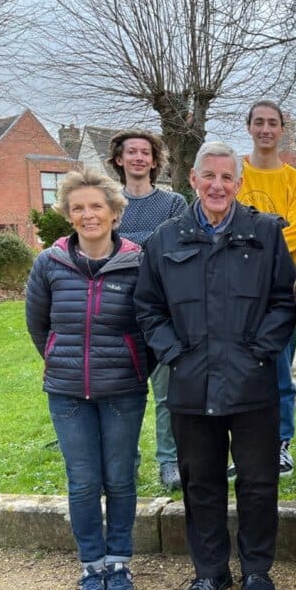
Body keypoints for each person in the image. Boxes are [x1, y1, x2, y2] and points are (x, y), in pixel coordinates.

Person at [135, 142, 296, 590]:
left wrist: (260, 351)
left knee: (258, 482)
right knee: (201, 483)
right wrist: (174, 354)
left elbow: (286, 300)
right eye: (209, 176)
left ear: (239, 184)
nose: (218, 186)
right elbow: (148, 307)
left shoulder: (265, 233)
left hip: (252, 384)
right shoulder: (165, 239)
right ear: (193, 179)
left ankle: (257, 569)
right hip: (191, 384)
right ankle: (210, 572)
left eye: (227, 177)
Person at [25, 168, 148, 590]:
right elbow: (38, 324)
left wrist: (135, 365)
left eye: (97, 206)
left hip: (123, 390)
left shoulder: (137, 263)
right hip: (67, 392)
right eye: (78, 207)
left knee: (119, 479)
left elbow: (150, 322)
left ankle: (119, 562)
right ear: (68, 214)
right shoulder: (49, 263)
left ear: (115, 212)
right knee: (82, 482)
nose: (88, 214)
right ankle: (92, 567)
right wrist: (62, 359)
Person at [234, 100, 296, 478]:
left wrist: (249, 243)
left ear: (282, 129)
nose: (265, 129)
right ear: (249, 126)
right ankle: (246, 446)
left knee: (280, 370)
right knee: (240, 370)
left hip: (281, 290)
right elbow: (225, 225)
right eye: (259, 122)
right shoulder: (234, 174)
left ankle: (281, 443)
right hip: (236, 290)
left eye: (272, 123)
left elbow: (292, 236)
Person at [108, 128, 187, 491]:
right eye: (132, 152)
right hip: (118, 309)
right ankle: (127, 462)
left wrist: (125, 244)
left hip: (163, 310)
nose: (139, 158)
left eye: (145, 153)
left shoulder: (174, 204)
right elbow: (100, 246)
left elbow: (176, 248)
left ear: (155, 161)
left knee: (168, 394)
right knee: (122, 394)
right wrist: (150, 242)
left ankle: (169, 461)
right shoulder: (108, 202)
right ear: (119, 159)